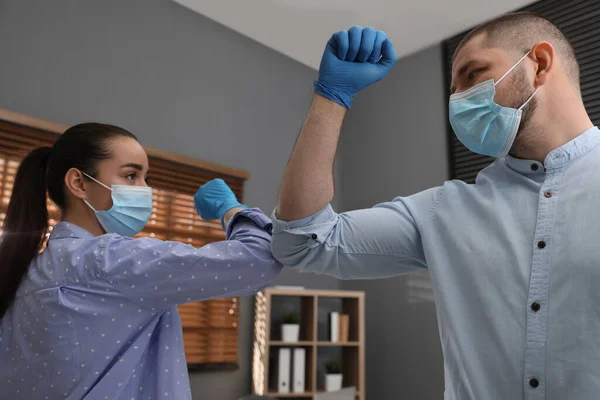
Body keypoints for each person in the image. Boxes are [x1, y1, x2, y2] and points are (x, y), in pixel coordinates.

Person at [271, 12, 599, 400]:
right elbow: (303, 241)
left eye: (473, 74)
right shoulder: (444, 211)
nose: (458, 100)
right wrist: (332, 96)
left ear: (539, 63)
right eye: (453, 90)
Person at [0, 123, 282, 399]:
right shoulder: (110, 260)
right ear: (79, 183)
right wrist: (230, 210)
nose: (145, 190)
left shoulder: (25, 274)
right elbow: (259, 260)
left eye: (147, 178)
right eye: (131, 176)